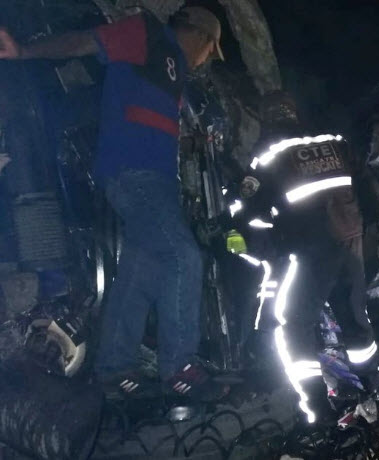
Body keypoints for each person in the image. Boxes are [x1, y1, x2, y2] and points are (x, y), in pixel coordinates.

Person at [0, 7, 227, 400]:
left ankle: (114, 369)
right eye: (210, 50)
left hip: (154, 181)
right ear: (203, 39)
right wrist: (21, 51)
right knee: (182, 257)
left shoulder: (174, 71)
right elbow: (85, 41)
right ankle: (180, 368)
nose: (207, 58)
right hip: (132, 174)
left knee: (139, 274)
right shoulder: (148, 35)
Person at [242, 91, 379, 423]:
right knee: (356, 319)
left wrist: (262, 245)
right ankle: (372, 388)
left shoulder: (270, 157)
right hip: (351, 243)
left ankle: (316, 407)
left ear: (267, 121)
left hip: (310, 250)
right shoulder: (335, 143)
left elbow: (245, 209)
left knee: (293, 324)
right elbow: (370, 187)